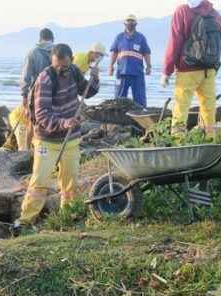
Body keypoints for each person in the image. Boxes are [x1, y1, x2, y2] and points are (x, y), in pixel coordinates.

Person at [14, 43, 100, 232]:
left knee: (70, 181)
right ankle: (26, 220)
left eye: (64, 65)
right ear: (52, 61)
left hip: (71, 139)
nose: (60, 69)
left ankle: (66, 217)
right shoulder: (46, 78)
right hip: (47, 140)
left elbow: (89, 92)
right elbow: (42, 115)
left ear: (71, 60)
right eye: (57, 65)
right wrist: (64, 122)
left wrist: (95, 79)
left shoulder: (74, 71)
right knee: (40, 180)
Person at [161, 0, 221, 139]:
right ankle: (210, 140)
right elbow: (218, 44)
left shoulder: (182, 11)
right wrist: (214, 67)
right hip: (209, 70)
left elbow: (175, 41)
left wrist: (167, 70)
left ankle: (178, 142)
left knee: (181, 108)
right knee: (209, 109)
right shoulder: (216, 15)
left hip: (187, 69)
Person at [109, 14, 152, 107]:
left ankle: (141, 116)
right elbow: (114, 53)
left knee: (140, 98)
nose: (130, 23)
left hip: (137, 73)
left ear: (136, 23)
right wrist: (110, 66)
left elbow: (146, 53)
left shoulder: (141, 38)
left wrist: (149, 66)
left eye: (132, 21)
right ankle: (118, 116)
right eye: (128, 21)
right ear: (124, 23)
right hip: (121, 73)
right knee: (119, 98)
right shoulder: (119, 37)